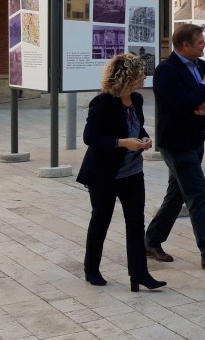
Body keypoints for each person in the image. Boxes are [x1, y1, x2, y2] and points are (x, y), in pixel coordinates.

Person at [144, 23, 205, 271]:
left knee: (177, 195)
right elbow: (183, 104)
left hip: (196, 141)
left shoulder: (199, 65)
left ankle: (151, 241)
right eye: (200, 41)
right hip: (177, 143)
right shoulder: (166, 71)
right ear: (185, 45)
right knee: (199, 195)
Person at [77, 53, 167, 292]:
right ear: (129, 77)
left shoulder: (136, 99)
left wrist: (144, 138)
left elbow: (137, 127)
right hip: (104, 173)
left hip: (133, 172)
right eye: (141, 73)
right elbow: (90, 137)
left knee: (136, 223)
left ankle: (139, 274)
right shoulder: (102, 103)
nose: (145, 77)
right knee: (101, 220)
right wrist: (122, 143)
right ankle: (91, 269)